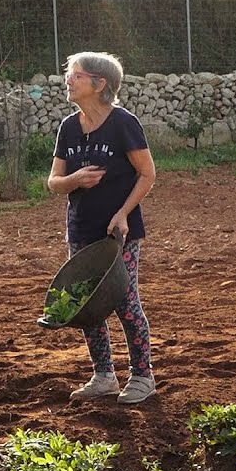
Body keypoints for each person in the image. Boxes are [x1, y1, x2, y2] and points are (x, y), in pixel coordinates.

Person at [47, 52, 158, 405]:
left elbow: (147, 174)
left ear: (99, 83)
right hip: (80, 229)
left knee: (125, 302)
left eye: (75, 75)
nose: (68, 80)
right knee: (86, 305)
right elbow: (53, 182)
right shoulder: (68, 127)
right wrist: (74, 179)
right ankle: (104, 376)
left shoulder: (123, 123)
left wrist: (124, 213)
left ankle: (143, 376)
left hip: (118, 232)